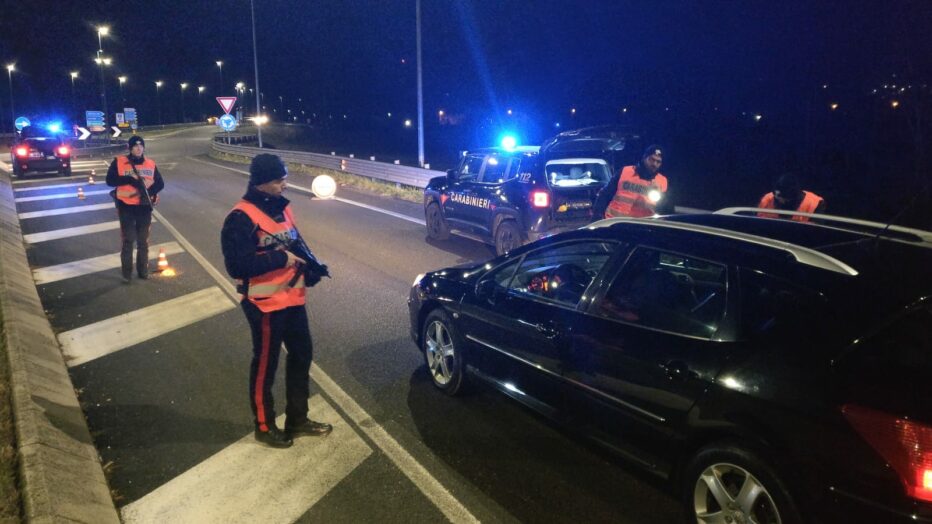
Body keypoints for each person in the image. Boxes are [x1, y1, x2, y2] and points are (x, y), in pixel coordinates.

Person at [221, 153, 333, 449]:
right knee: (265, 366)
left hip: (292, 298)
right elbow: (238, 266)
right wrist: (282, 258)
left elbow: (295, 241)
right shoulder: (240, 218)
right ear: (261, 183)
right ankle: (264, 425)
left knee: (302, 357)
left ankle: (297, 419)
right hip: (264, 304)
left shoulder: (281, 210)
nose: (285, 184)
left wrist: (311, 265)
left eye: (284, 178)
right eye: (279, 180)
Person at [106, 135, 164, 283]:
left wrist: (148, 193)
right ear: (130, 148)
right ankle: (127, 274)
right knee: (129, 240)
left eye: (141, 145)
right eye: (135, 146)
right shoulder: (119, 162)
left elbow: (160, 183)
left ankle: (142, 271)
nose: (138, 148)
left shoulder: (150, 164)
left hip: (144, 208)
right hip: (126, 207)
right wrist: (130, 179)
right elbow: (110, 181)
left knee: (143, 241)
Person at [595, 144, 673, 219]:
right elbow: (605, 194)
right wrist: (597, 216)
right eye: (651, 159)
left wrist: (660, 197)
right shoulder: (625, 171)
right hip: (615, 222)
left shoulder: (662, 181)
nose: (654, 164)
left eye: (658, 162)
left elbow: (664, 209)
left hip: (641, 226)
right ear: (644, 158)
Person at [756, 173, 825, 222]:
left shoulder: (815, 203)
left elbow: (816, 232)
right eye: (775, 195)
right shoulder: (767, 198)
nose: (776, 199)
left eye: (781, 198)